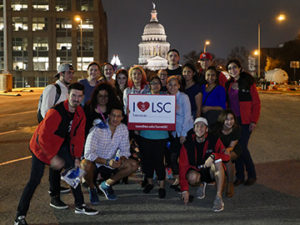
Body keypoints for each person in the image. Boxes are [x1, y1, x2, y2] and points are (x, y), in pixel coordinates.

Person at [14, 83, 99, 225]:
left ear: (82, 97)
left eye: (79, 96)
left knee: (75, 171)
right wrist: (52, 157)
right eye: (74, 95)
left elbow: (78, 138)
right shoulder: (56, 112)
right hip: (40, 147)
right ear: (68, 95)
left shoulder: (80, 113)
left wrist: (77, 157)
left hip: (59, 145)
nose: (76, 99)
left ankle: (80, 205)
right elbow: (42, 138)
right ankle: (19, 216)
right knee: (34, 181)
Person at [81, 104, 139, 204]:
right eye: (113, 115)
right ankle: (92, 188)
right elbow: (88, 154)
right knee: (84, 164)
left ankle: (106, 185)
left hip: (112, 161)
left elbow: (125, 150)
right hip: (96, 162)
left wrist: (121, 158)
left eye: (119, 116)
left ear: (122, 117)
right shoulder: (97, 129)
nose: (116, 118)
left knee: (133, 164)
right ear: (108, 116)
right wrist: (107, 162)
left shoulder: (123, 128)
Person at [179, 117, 230, 212]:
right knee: (192, 177)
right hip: (197, 170)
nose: (200, 128)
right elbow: (182, 167)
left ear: (206, 129)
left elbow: (227, 157)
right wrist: (184, 189)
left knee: (218, 161)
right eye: (197, 126)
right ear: (194, 129)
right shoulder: (187, 144)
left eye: (202, 126)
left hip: (211, 171)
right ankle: (201, 183)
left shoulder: (214, 139)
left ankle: (218, 197)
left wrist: (214, 156)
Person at [40, 63, 75, 195]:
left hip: (65, 131)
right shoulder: (52, 88)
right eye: (68, 73)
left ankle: (55, 186)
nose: (71, 75)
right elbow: (45, 112)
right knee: (56, 162)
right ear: (61, 74)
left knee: (59, 162)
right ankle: (54, 192)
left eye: (72, 73)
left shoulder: (68, 89)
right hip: (54, 132)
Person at [225, 59, 261, 186]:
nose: (232, 70)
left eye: (234, 67)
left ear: (240, 68)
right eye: (229, 68)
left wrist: (254, 120)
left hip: (245, 121)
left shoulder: (248, 82)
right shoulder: (228, 84)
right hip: (233, 121)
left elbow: (256, 103)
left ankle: (252, 175)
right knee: (236, 148)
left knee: (242, 148)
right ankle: (239, 176)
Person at [139, 76, 169, 198]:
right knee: (147, 161)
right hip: (146, 134)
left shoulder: (166, 98)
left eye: (157, 83)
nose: (155, 85)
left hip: (161, 135)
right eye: (153, 83)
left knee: (159, 161)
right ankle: (150, 183)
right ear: (149, 85)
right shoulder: (143, 98)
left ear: (160, 85)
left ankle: (162, 186)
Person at [166, 75, 193, 191]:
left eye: (175, 85)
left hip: (184, 130)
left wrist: (183, 134)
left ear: (179, 86)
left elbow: (187, 116)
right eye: (170, 85)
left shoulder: (183, 97)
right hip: (173, 133)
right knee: (173, 157)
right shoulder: (166, 97)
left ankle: (186, 180)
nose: (172, 87)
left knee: (184, 158)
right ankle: (178, 178)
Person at [213, 110, 242, 197]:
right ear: (222, 120)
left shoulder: (237, 129)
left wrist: (227, 150)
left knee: (227, 158)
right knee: (221, 158)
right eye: (226, 119)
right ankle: (221, 180)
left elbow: (231, 146)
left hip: (232, 149)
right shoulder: (216, 128)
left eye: (231, 119)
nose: (229, 122)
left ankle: (230, 183)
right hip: (219, 149)